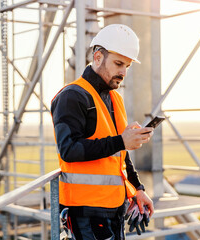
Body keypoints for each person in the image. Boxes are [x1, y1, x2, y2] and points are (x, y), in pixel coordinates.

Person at [51, 24, 155, 240]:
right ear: (97, 57)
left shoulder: (114, 97)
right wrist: (120, 141)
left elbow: (120, 157)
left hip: (115, 208)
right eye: (118, 64)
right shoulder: (72, 96)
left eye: (127, 66)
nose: (123, 72)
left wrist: (137, 189)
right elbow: (68, 149)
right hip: (85, 213)